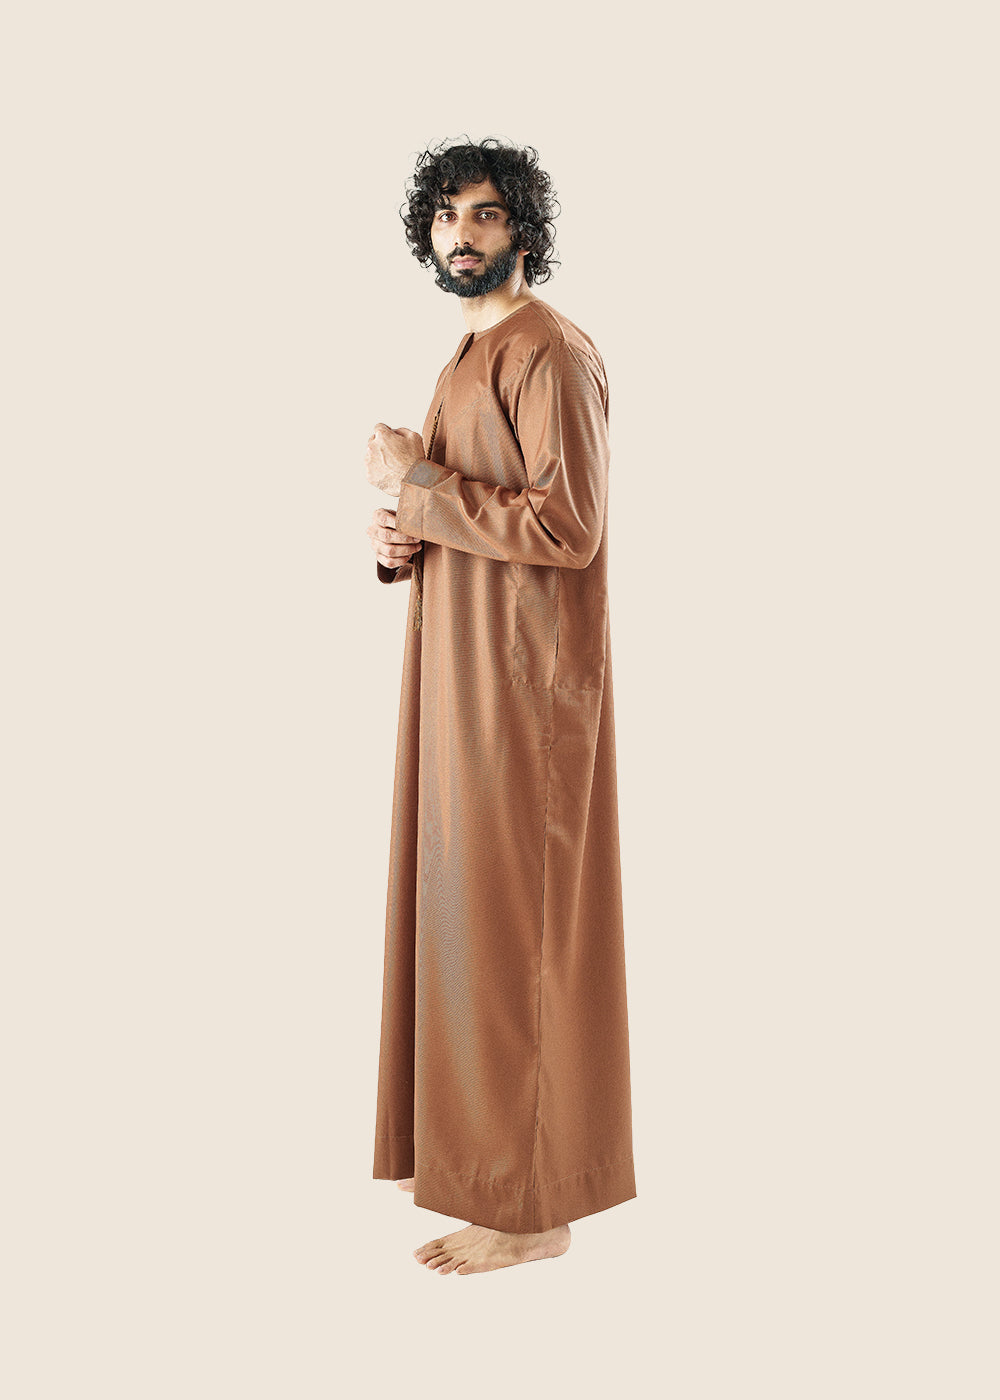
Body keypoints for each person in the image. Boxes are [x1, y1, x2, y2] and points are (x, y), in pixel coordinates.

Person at [365, 137, 636, 1275]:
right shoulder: (470, 354)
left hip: (524, 696)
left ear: (522, 226)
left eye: (483, 213)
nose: (462, 234)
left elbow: (567, 528)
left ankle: (536, 1209)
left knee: (516, 934)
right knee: (462, 926)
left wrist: (419, 484)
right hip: (460, 677)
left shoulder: (547, 352)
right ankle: (483, 1168)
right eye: (444, 216)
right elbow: (467, 514)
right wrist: (399, 538)